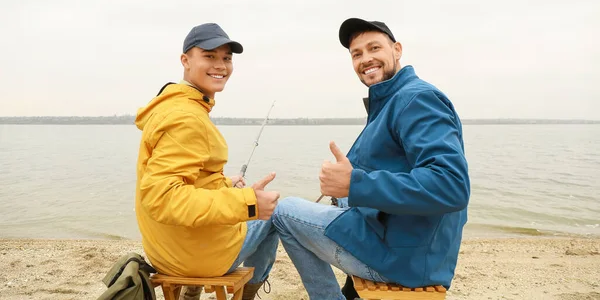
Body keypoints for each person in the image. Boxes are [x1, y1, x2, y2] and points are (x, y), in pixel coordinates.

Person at [272, 18, 470, 299]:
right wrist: (347, 184)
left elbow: (450, 185)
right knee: (341, 200)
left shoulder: (416, 100)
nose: (366, 59)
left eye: (374, 48)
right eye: (357, 54)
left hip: (406, 261)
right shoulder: (392, 99)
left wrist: (355, 183)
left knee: (283, 211)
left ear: (397, 50)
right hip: (409, 243)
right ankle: (351, 290)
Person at [134, 23, 280, 300]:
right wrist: (248, 203)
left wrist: (225, 184)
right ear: (186, 61)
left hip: (163, 248)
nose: (221, 65)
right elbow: (162, 197)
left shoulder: (174, 106)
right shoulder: (186, 118)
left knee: (252, 208)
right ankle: (248, 294)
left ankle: (192, 292)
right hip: (191, 255)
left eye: (226, 58)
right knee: (276, 216)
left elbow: (184, 178)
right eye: (209, 56)